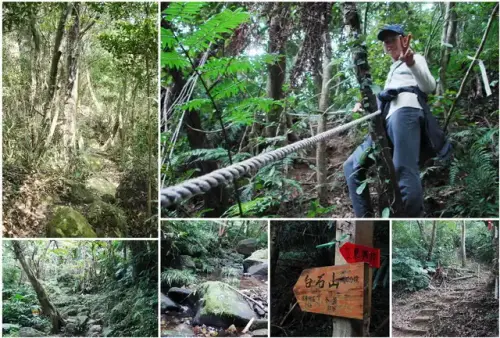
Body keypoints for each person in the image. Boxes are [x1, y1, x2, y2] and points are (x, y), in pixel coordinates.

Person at [343, 24, 452, 217]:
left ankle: (410, 218)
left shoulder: (415, 59)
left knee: (404, 168)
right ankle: (365, 219)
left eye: (392, 39)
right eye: (385, 41)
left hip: (405, 113)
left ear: (403, 39)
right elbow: (387, 96)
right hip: (385, 121)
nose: (388, 44)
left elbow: (429, 86)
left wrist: (411, 63)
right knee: (351, 166)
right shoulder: (392, 70)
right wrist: (365, 105)